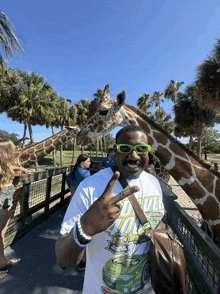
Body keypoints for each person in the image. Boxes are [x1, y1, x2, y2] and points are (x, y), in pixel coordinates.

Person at [55, 125, 164, 294]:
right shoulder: (89, 188)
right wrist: (87, 226)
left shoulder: (154, 183)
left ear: (148, 151)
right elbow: (63, 260)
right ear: (115, 151)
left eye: (141, 148)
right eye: (125, 148)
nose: (134, 155)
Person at [0, 139, 28, 281]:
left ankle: (2, 261)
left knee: (2, 234)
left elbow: (10, 169)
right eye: (12, 149)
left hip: (6, 202)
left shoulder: (4, 166)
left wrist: (22, 170)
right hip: (2, 203)